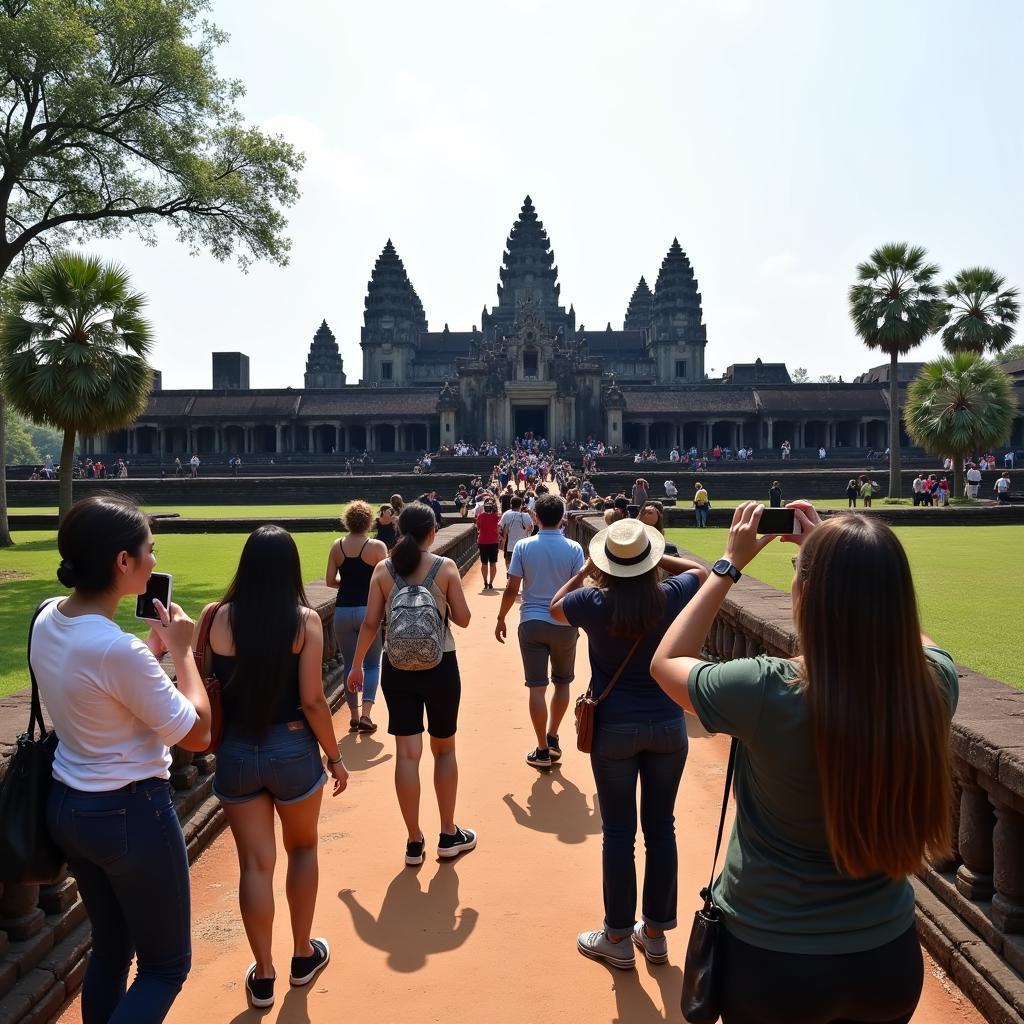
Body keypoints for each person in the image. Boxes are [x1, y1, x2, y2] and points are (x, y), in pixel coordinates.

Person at [650, 503, 958, 1024]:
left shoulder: (767, 688)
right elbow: (920, 644)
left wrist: (728, 564)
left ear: (808, 596)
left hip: (774, 957)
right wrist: (857, 571)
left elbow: (666, 662)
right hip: (886, 956)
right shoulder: (931, 686)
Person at [33, 495, 212, 1022]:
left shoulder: (49, 618)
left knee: (111, 948)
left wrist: (153, 648)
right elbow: (198, 734)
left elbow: (99, 680)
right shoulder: (117, 650)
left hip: (69, 806)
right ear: (123, 563)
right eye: (149, 551)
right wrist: (182, 650)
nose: (155, 561)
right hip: (130, 813)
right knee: (165, 967)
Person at [548, 519, 707, 969]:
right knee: (661, 828)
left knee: (618, 830)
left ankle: (617, 936)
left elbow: (555, 605)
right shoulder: (668, 594)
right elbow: (699, 571)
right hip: (668, 724)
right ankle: (654, 933)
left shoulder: (592, 601)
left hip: (614, 727)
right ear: (648, 561)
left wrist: (587, 569)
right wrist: (660, 558)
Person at [211, 526, 348, 1008]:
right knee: (303, 848)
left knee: (255, 863)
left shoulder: (216, 619)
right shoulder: (305, 621)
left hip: (236, 751)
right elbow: (313, 701)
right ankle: (302, 954)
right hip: (291, 747)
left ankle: (264, 974)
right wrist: (334, 757)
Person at [346, 503, 476, 865]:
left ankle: (413, 840)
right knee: (444, 750)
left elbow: (371, 624)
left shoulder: (384, 570)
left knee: (407, 755)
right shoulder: (444, 567)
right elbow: (463, 620)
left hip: (396, 667)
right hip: (441, 665)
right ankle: (448, 834)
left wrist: (356, 666)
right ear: (432, 531)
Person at [495, 494, 584, 770]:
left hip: (531, 621)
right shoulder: (574, 548)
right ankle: (554, 736)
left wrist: (501, 617)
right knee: (562, 682)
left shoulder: (523, 546)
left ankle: (542, 749)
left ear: (535, 517)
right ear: (562, 517)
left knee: (537, 688)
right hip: (565, 622)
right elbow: (578, 590)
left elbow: (512, 588)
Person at [327, 502, 388, 733]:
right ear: (369, 520)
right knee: (372, 664)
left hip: (342, 611)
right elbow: (386, 579)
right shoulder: (377, 547)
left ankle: (353, 715)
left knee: (349, 664)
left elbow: (330, 581)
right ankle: (366, 715)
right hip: (367, 611)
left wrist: (350, 582)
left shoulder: (337, 546)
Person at [498, 494, 535, 579]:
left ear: (511, 504)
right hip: (524, 545)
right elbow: (531, 528)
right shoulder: (525, 515)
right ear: (521, 505)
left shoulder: (506, 514)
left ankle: (509, 579)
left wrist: (503, 538)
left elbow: (500, 528)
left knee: (509, 563)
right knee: (523, 565)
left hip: (509, 545)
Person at [475, 494, 501, 590]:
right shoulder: (496, 516)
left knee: (484, 563)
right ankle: (491, 583)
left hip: (483, 541)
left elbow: (478, 527)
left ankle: (485, 581)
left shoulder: (480, 516)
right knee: (493, 563)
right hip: (494, 541)